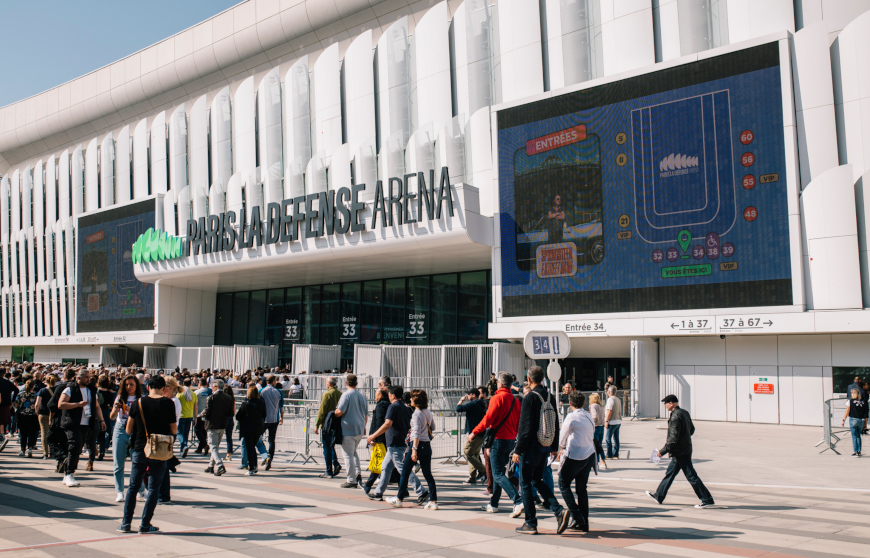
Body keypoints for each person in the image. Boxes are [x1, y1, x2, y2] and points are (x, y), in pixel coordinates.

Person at [512, 365, 569, 535]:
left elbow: (525, 427)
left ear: (529, 379)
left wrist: (518, 450)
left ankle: (530, 522)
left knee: (525, 483)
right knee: (537, 480)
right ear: (543, 378)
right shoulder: (550, 396)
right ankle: (559, 511)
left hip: (530, 447)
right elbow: (556, 422)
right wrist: (553, 446)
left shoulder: (529, 398)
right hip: (545, 446)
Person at [119, 374, 177, 534]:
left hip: (139, 448)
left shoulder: (138, 402)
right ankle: (145, 524)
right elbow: (174, 429)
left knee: (133, 486)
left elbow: (128, 429)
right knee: (153, 489)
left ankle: (125, 523)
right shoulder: (168, 403)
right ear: (164, 388)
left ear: (148, 387)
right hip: (159, 450)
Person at [646, 394, 715, 508]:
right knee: (670, 473)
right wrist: (684, 439)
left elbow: (672, 439)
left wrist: (662, 452)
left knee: (691, 476)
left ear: (671, 403)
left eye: (666, 403)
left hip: (680, 452)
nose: (665, 405)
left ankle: (707, 499)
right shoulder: (684, 412)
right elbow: (691, 429)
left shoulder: (675, 417)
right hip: (684, 449)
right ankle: (659, 495)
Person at [470, 372, 522, 515]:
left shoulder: (497, 398)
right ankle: (494, 503)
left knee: (497, 473)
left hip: (498, 439)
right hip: (510, 439)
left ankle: (517, 500)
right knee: (500, 472)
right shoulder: (516, 400)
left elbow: (488, 419)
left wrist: (474, 432)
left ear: (500, 383)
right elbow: (518, 423)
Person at [366, 385, 428, 504]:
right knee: (386, 467)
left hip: (395, 443)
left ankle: (421, 491)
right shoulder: (405, 408)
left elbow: (387, 424)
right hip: (398, 443)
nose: (388, 396)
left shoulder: (392, 407)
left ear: (393, 395)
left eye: (389, 394)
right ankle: (378, 492)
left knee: (403, 470)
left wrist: (373, 435)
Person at [57, 369, 106, 487]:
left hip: (87, 423)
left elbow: (96, 406)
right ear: (78, 378)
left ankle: (67, 474)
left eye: (89, 377)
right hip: (72, 422)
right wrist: (77, 404)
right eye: (86, 377)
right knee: (75, 446)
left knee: (78, 449)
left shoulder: (91, 390)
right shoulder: (70, 389)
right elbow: (61, 404)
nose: (88, 379)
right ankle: (69, 473)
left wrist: (101, 420)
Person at [390, 389, 438, 509]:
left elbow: (415, 433)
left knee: (405, 472)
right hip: (427, 445)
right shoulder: (427, 412)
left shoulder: (416, 414)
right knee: (428, 475)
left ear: (416, 400)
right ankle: (433, 501)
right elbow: (433, 427)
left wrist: (414, 450)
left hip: (416, 445)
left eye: (411, 398)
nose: (410, 400)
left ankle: (399, 498)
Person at [557, 390, 596, 532]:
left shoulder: (571, 417)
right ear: (584, 403)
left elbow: (563, 436)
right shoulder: (588, 415)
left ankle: (577, 515)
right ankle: (584, 522)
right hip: (589, 454)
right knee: (581, 489)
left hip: (576, 455)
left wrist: (560, 448)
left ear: (570, 403)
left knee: (563, 483)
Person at [110, 374, 145, 502]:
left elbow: (143, 417)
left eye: (131, 384)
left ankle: (140, 490)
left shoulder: (140, 398)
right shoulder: (119, 397)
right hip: (120, 428)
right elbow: (112, 417)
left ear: (136, 386)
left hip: (135, 430)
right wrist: (115, 409)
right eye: (126, 384)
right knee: (118, 463)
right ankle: (119, 491)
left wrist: (131, 410)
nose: (129, 387)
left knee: (137, 462)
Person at [335, 374, 367, 488]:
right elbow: (366, 414)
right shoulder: (362, 396)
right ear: (356, 383)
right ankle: (358, 473)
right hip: (359, 428)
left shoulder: (346, 395)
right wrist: (364, 426)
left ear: (346, 383)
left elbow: (339, 412)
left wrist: (333, 413)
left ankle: (351, 479)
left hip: (348, 429)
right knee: (353, 452)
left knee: (348, 455)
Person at [202, 379, 235, 475]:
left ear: (216, 387)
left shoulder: (211, 398)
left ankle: (220, 465)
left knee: (213, 447)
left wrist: (201, 415)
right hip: (222, 424)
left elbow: (207, 412)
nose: (211, 389)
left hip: (212, 424)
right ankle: (211, 466)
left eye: (212, 387)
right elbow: (231, 413)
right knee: (215, 447)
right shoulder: (229, 398)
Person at [456, 388, 487, 484]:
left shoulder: (474, 404)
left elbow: (458, 409)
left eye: (468, 394)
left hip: (475, 433)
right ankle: (472, 477)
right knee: (474, 454)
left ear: (473, 395)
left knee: (467, 452)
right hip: (480, 432)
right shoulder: (481, 403)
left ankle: (484, 471)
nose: (467, 396)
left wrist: (461, 401)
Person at [362, 387, 390, 493]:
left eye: (376, 393)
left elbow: (379, 423)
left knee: (378, 462)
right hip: (386, 438)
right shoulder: (389, 404)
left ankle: (368, 485)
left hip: (381, 439)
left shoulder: (381, 405)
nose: (374, 395)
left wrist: (374, 437)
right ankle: (403, 488)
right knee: (389, 464)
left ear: (380, 395)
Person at [314, 377, 342, 478]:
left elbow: (322, 411)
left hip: (327, 424)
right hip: (337, 423)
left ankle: (329, 470)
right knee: (331, 445)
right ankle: (335, 463)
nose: (326, 385)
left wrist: (317, 425)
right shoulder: (340, 394)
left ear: (329, 383)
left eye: (326, 383)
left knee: (326, 447)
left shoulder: (327, 394)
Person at [236, 385, 266, 475]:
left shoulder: (246, 404)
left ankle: (251, 468)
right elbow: (264, 414)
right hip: (258, 428)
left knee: (250, 448)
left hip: (248, 428)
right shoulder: (261, 402)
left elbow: (238, 416)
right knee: (253, 447)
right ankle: (255, 466)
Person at [259, 375, 284, 471]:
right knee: (271, 439)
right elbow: (281, 406)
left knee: (259, 438)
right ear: (273, 381)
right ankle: (270, 457)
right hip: (274, 418)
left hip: (263, 419)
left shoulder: (261, 391)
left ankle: (265, 456)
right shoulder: (278, 392)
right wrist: (282, 417)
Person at [13, 379, 39, 457]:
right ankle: (30, 447)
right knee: (32, 432)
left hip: (22, 415)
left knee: (23, 433)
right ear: (33, 386)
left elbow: (16, 405)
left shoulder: (20, 394)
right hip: (33, 415)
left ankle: (22, 450)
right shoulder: (36, 394)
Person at [35, 375, 58, 459]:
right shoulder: (57, 390)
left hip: (43, 413)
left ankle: (45, 452)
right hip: (55, 414)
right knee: (54, 433)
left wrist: (37, 412)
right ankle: (53, 451)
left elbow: (37, 403)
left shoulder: (42, 390)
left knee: (44, 433)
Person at [842, 388, 868, 457]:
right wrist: (865, 423)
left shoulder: (850, 401)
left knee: (854, 436)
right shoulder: (863, 402)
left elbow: (847, 411)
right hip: (861, 420)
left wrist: (843, 420)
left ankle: (855, 451)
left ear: (853, 394)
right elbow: (865, 413)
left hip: (853, 419)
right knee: (858, 436)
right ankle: (859, 451)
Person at [176, 378, 197, 458]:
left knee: (179, 433)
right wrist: (195, 418)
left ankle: (184, 446)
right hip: (190, 415)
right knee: (186, 433)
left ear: (183, 384)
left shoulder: (180, 393)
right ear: (190, 384)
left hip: (181, 415)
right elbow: (196, 407)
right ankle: (183, 449)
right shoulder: (193, 394)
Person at [0, 368, 20, 451]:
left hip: (3, 403)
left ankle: (1, 438)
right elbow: (16, 390)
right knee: (1, 421)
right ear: (4, 374)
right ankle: (1, 436)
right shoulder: (7, 382)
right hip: (5, 404)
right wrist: (12, 402)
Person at [97, 375, 116, 461]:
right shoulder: (109, 393)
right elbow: (111, 405)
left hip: (97, 412)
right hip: (105, 412)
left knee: (95, 432)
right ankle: (102, 451)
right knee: (103, 433)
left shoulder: (97, 392)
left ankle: (94, 450)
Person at [588, 393, 607, 469]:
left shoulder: (593, 406)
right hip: (601, 427)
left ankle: (596, 462)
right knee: (599, 446)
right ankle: (602, 461)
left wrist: (591, 422)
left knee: (595, 446)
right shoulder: (601, 406)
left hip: (595, 427)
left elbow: (594, 417)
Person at [193, 378, 212, 454]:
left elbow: (195, 404)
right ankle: (200, 448)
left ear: (199, 384)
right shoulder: (211, 391)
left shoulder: (197, 392)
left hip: (199, 414)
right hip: (208, 414)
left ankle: (204, 445)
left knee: (197, 430)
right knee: (204, 431)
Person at [604, 386, 622, 459]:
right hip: (618, 420)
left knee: (608, 438)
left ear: (609, 392)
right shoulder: (618, 399)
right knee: (616, 438)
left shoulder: (610, 400)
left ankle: (609, 454)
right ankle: (616, 453)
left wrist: (607, 421)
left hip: (612, 421)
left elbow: (609, 411)